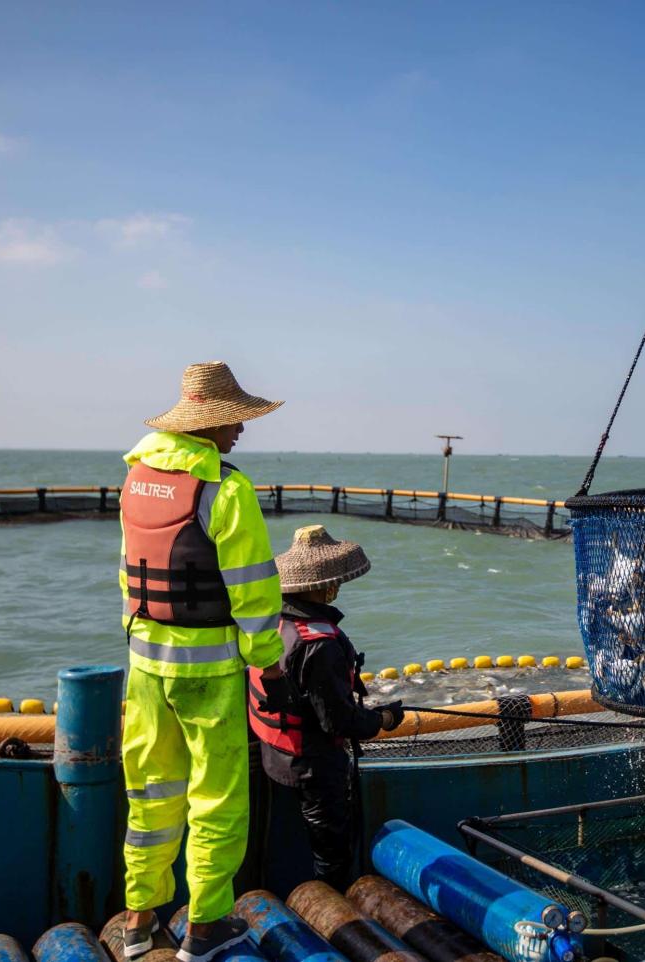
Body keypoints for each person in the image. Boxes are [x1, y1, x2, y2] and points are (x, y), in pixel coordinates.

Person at [118, 361, 293, 962]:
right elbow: (253, 589)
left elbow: (128, 572)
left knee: (151, 794)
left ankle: (138, 921)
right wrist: (269, 663)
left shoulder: (136, 477)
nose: (240, 430)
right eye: (234, 420)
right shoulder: (226, 488)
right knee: (216, 799)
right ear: (208, 424)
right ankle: (205, 926)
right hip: (208, 673)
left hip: (145, 666)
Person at [247, 524, 405, 891]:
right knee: (331, 854)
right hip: (312, 767)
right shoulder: (319, 645)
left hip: (273, 754)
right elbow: (338, 721)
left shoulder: (270, 624)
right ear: (327, 587)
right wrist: (382, 719)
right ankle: (332, 907)